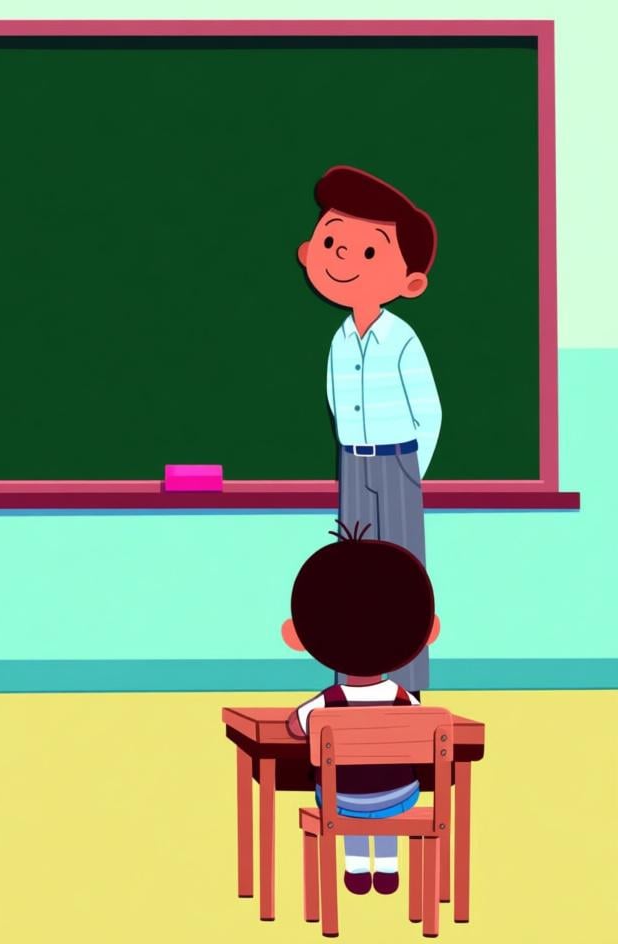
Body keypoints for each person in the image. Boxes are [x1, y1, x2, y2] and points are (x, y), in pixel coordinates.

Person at [296, 165, 441, 696]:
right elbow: (337, 403)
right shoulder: (338, 339)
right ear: (308, 253)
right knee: (349, 577)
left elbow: (429, 410)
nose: (341, 257)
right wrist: (351, 456)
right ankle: (349, 678)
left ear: (410, 282)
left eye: (369, 252)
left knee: (402, 573)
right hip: (352, 461)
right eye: (331, 240)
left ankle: (407, 684)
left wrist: (408, 471)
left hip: (397, 459)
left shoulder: (400, 339)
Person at [281, 526, 441, 896]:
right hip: (402, 796)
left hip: (342, 801)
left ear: (298, 637)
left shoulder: (326, 704)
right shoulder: (406, 700)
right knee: (389, 801)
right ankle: (387, 868)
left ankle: (355, 868)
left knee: (348, 799)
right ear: (428, 631)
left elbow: (294, 726)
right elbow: (428, 735)